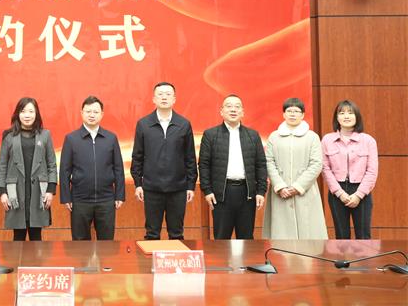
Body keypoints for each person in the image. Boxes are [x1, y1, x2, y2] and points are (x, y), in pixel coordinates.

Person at [130, 82, 197, 240]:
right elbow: (137, 157)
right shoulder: (144, 124)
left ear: (174, 99)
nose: (164, 97)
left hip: (178, 188)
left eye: (168, 94)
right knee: (152, 234)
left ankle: (177, 258)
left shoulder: (184, 124)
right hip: (151, 188)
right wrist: (138, 184)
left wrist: (190, 186)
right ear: (154, 99)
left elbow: (190, 158)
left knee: (176, 234)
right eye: (160, 94)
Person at [198, 94, 267, 239]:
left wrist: (261, 191)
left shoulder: (253, 135)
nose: (233, 110)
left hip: (247, 193)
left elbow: (260, 165)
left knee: (246, 238)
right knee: (221, 239)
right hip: (221, 194)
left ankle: (246, 257)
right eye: (229, 106)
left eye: (237, 107)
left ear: (243, 112)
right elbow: (203, 165)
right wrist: (207, 190)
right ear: (221, 111)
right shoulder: (211, 135)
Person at [59, 96, 125, 240]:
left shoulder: (111, 138)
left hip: (106, 199)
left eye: (95, 112)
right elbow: (64, 170)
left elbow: (118, 168)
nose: (92, 115)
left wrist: (119, 195)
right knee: (80, 243)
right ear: (82, 113)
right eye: (88, 111)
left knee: (106, 243)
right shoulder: (71, 139)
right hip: (80, 199)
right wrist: (66, 197)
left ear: (102, 114)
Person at [263, 98, 328, 239]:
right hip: (281, 192)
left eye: (297, 111)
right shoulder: (274, 137)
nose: (292, 114)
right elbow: (269, 162)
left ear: (303, 115)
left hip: (305, 192)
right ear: (284, 114)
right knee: (281, 236)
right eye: (289, 111)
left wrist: (298, 186)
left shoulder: (312, 137)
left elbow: (316, 164)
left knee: (308, 235)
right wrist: (280, 186)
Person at [0, 97, 57, 241]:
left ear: (36, 114)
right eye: (23, 111)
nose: (27, 115)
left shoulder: (45, 135)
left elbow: (52, 164)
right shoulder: (9, 136)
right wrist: (2, 192)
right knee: (18, 238)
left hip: (38, 191)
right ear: (18, 114)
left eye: (31, 111)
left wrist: (50, 190)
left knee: (37, 238)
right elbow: (2, 166)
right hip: (16, 191)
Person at [321, 100, 378, 239]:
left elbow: (372, 171)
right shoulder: (327, 140)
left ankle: (364, 256)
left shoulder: (368, 140)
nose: (346, 116)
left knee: (363, 236)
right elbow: (325, 168)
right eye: (342, 113)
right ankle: (343, 256)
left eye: (350, 113)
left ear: (357, 116)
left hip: (361, 191)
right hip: (337, 192)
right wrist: (340, 193)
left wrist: (359, 195)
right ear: (337, 117)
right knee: (341, 236)